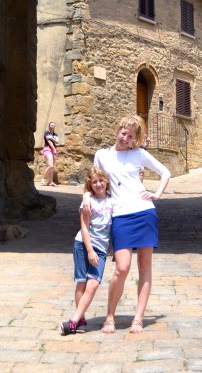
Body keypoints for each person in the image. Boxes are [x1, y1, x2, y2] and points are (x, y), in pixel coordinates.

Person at [85, 114, 171, 334]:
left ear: (135, 139)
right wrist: (86, 196)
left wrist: (156, 194)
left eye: (131, 136)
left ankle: (138, 318)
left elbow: (165, 172)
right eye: (124, 133)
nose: (126, 138)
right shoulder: (102, 155)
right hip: (120, 215)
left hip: (144, 213)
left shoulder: (139, 154)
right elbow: (93, 181)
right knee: (121, 268)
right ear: (117, 131)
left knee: (145, 267)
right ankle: (110, 317)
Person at [59, 166, 113, 335]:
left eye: (101, 180)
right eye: (94, 182)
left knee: (94, 283)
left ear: (106, 181)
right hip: (83, 245)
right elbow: (84, 226)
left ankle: (73, 321)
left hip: (101, 248)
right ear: (90, 184)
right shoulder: (88, 202)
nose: (98, 184)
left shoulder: (112, 200)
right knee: (82, 282)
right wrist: (90, 250)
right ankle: (80, 320)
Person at [40, 121, 59, 186]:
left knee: (52, 167)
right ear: (49, 126)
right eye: (51, 125)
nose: (52, 126)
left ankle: (50, 182)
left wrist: (51, 138)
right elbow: (49, 142)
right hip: (47, 149)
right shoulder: (47, 132)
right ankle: (43, 178)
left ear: (54, 127)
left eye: (53, 125)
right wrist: (54, 149)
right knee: (50, 165)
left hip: (54, 150)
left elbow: (57, 141)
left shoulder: (55, 134)